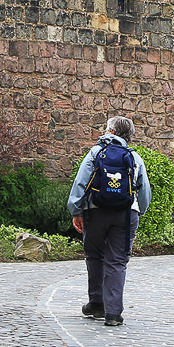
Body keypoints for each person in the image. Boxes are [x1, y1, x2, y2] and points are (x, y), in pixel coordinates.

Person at [67, 116, 152, 327]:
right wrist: (138, 211)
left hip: (95, 212)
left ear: (110, 132)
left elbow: (80, 184)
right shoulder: (134, 157)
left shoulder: (95, 153)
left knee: (95, 256)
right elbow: (144, 192)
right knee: (117, 260)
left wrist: (76, 211)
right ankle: (113, 313)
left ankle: (96, 304)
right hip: (125, 214)